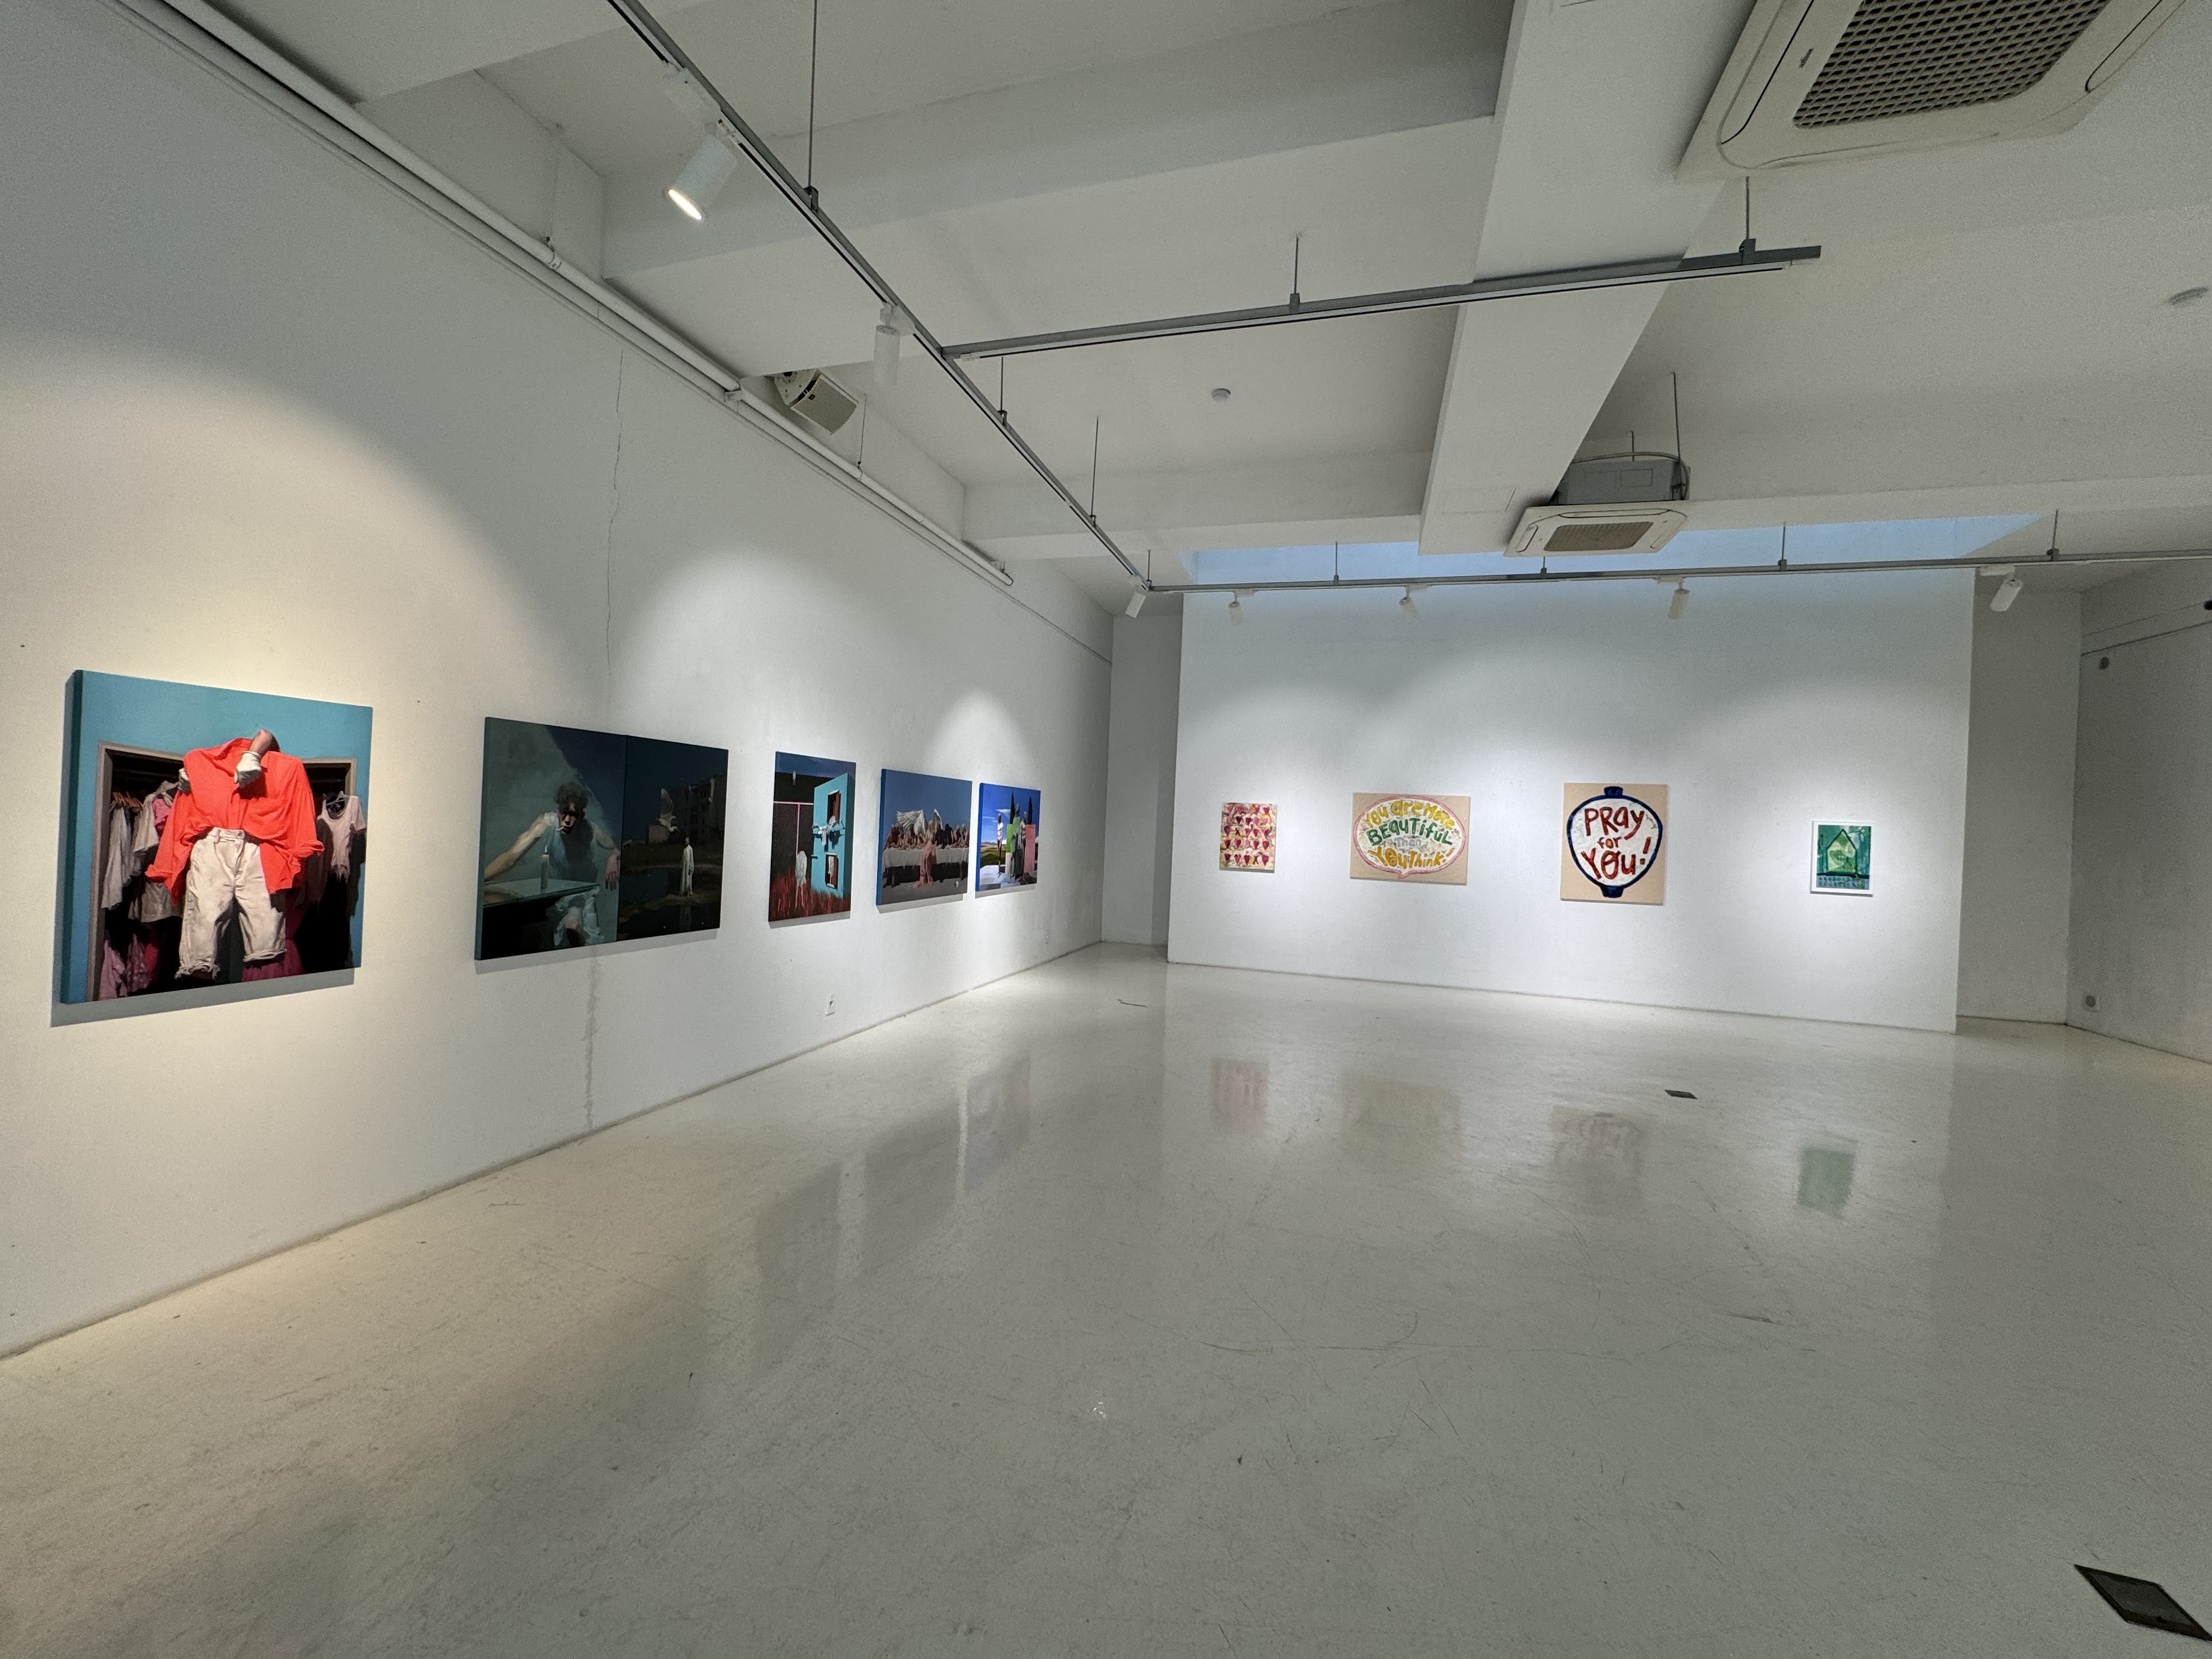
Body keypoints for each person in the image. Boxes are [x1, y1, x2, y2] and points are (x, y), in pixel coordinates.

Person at [483, 777, 618, 947]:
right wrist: (479, 881)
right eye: (564, 813)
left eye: (573, 815)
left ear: (581, 816)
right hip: (555, 898)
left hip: (582, 897)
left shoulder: (590, 830)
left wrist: (613, 858)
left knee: (575, 927)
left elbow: (616, 846)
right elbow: (511, 858)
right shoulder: (547, 823)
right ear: (558, 811)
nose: (567, 820)